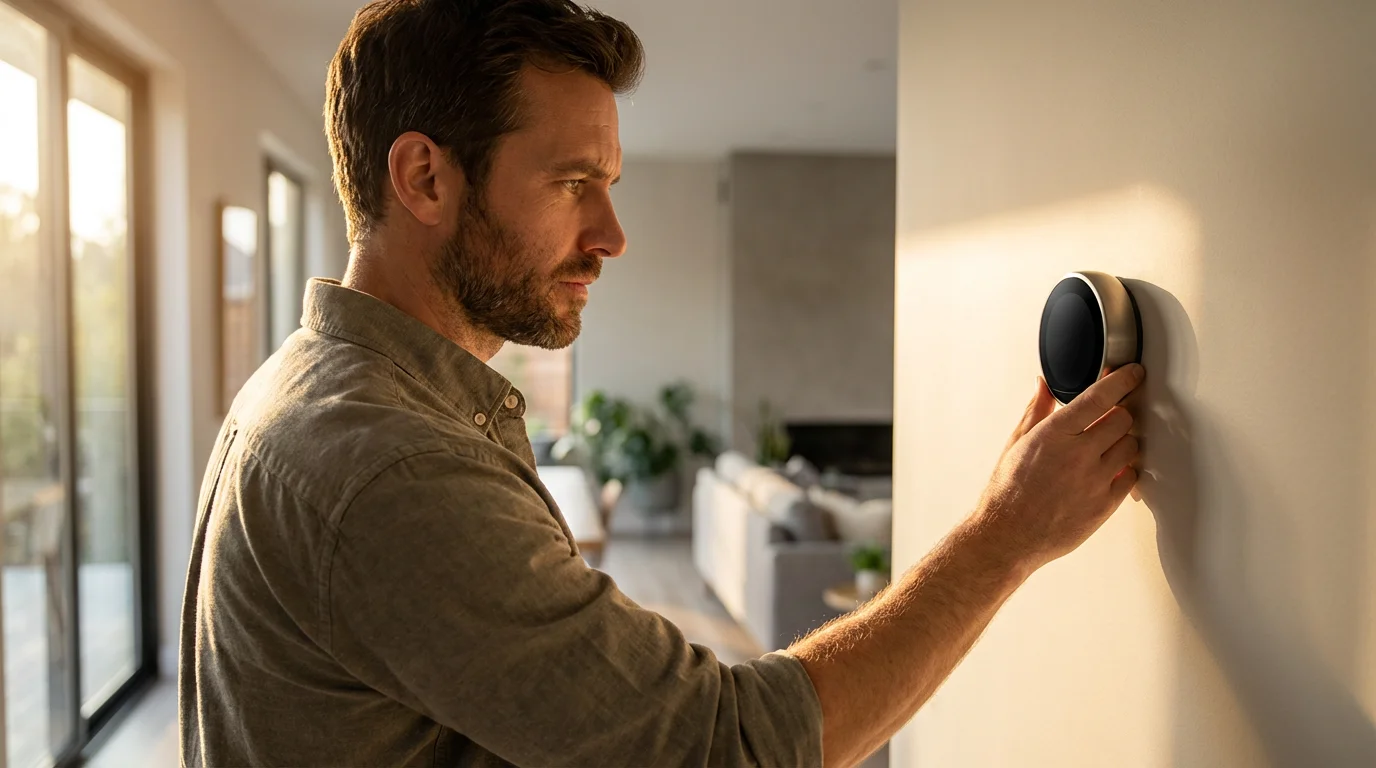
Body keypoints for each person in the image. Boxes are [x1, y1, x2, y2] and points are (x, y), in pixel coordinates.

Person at [177, 1, 1144, 766]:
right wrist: (1005, 534)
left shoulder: (305, 388)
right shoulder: (394, 467)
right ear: (425, 178)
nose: (610, 235)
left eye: (611, 186)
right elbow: (729, 748)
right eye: (569, 184)